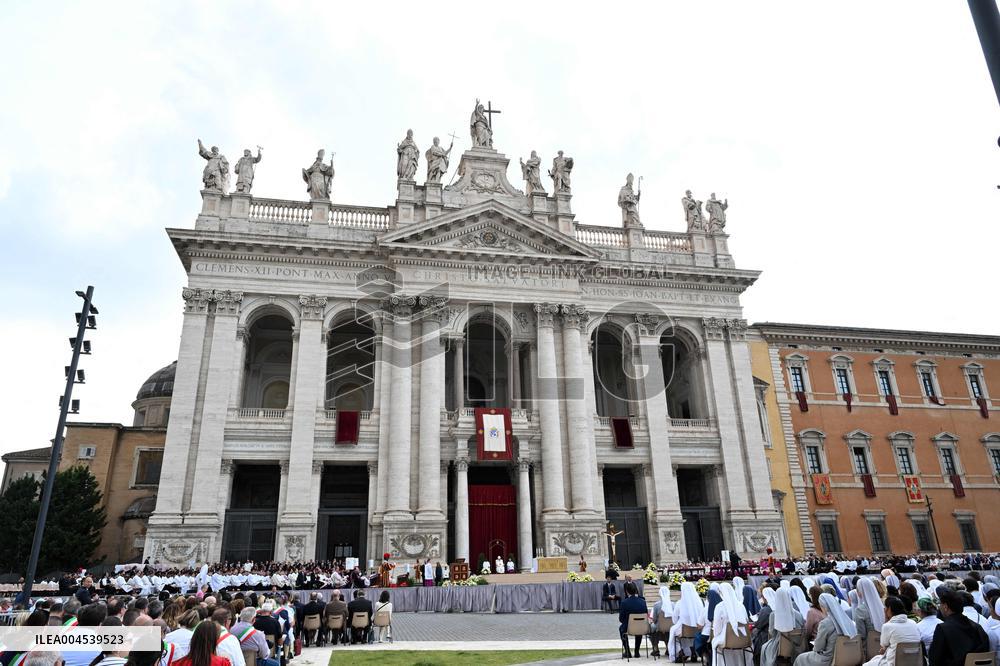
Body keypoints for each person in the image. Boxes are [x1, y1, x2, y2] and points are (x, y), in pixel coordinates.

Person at [928, 587, 991, 666]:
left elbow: (934, 659)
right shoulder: (977, 627)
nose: (939, 607)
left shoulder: (942, 628)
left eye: (940, 604)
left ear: (945, 607)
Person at [793, 593, 857, 666]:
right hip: (848, 655)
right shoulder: (848, 621)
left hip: (828, 659)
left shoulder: (825, 623)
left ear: (824, 607)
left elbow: (818, 648)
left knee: (800, 658)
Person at [862, 596, 920, 666]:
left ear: (889, 609)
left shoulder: (887, 626)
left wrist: (886, 620)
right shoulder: (913, 623)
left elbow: (883, 646)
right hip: (915, 660)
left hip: (895, 662)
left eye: (885, 607)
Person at [761, 587, 803, 666]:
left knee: (764, 647)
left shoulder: (774, 615)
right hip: (797, 646)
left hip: (779, 648)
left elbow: (772, 633)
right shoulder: (799, 614)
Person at [712, 583, 750, 665]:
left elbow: (717, 628)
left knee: (714, 642)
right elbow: (746, 621)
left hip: (727, 639)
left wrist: (716, 635)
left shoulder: (719, 607)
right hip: (742, 638)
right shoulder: (741, 605)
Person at [669, 581, 706, 662]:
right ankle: (693, 652)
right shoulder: (700, 603)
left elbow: (674, 619)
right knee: (689, 634)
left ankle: (680, 653)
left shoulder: (679, 603)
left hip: (684, 630)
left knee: (673, 632)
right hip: (698, 629)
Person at [618, 581, 648, 659]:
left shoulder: (624, 602)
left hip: (629, 627)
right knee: (639, 626)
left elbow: (621, 619)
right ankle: (637, 651)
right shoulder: (643, 601)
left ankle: (627, 651)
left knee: (621, 629)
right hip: (641, 627)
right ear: (636, 591)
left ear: (627, 592)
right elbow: (646, 614)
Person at [648, 586, 673, 658]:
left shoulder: (657, 605)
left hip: (659, 627)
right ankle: (668, 648)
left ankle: (656, 649)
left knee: (651, 627)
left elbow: (654, 619)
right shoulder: (673, 604)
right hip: (670, 627)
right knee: (667, 630)